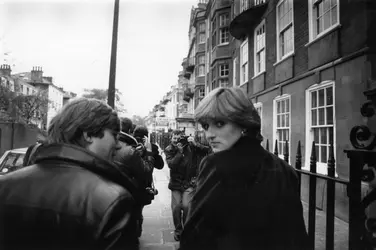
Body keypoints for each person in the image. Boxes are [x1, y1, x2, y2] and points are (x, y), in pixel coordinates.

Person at [179, 87, 310, 250]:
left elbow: (194, 238)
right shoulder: (284, 169)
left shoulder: (216, 165)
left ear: (243, 123)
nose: (209, 134)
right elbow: (297, 237)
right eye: (206, 126)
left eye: (220, 123)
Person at [0, 98, 139, 250]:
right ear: (88, 134)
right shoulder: (114, 200)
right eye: (114, 134)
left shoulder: (5, 185)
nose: (118, 145)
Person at [165, 129, 211, 241]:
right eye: (174, 138)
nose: (176, 140)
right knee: (176, 207)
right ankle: (178, 230)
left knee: (186, 206)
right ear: (171, 138)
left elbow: (208, 151)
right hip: (176, 183)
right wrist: (179, 153)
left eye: (179, 138)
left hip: (189, 182)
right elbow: (172, 165)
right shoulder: (169, 149)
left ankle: (186, 229)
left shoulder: (191, 147)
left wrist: (195, 144)